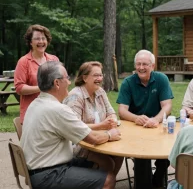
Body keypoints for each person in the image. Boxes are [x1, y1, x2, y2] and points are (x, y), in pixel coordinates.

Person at [20, 61, 121, 189]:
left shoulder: (36, 103)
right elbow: (93, 138)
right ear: (57, 83)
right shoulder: (57, 110)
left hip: (40, 169)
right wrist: (109, 134)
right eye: (67, 78)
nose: (69, 82)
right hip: (49, 174)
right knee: (108, 180)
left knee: (102, 165)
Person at [117, 49, 174, 188]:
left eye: (145, 64)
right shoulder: (128, 82)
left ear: (152, 66)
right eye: (138, 64)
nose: (141, 67)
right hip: (136, 128)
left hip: (158, 126)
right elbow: (122, 110)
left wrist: (156, 119)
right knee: (141, 156)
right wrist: (136, 118)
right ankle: (143, 184)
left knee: (168, 151)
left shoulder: (161, 79)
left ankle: (157, 179)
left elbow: (167, 105)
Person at [63, 61, 123, 177]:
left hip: (101, 138)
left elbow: (111, 112)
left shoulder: (100, 91)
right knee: (108, 163)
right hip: (80, 144)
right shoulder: (75, 96)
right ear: (85, 78)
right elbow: (74, 128)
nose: (99, 78)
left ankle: (109, 183)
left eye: (101, 75)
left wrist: (112, 119)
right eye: (96, 75)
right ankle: (103, 183)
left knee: (119, 154)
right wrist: (101, 126)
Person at [14, 24, 60, 123]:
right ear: (30, 42)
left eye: (43, 38)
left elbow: (60, 82)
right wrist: (42, 87)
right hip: (31, 115)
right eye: (37, 39)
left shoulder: (54, 59)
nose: (41, 41)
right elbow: (19, 88)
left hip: (52, 112)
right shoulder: (23, 61)